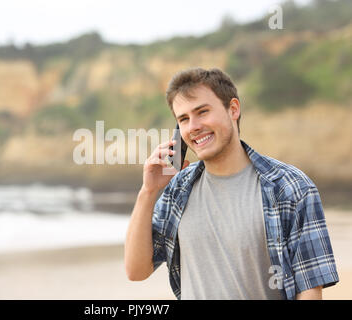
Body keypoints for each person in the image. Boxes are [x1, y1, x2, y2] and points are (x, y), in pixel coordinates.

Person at [124, 67, 339, 300]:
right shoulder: (178, 189)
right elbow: (136, 270)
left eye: (202, 112)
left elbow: (309, 289)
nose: (193, 126)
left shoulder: (291, 187)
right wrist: (148, 191)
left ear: (233, 109)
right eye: (184, 119)